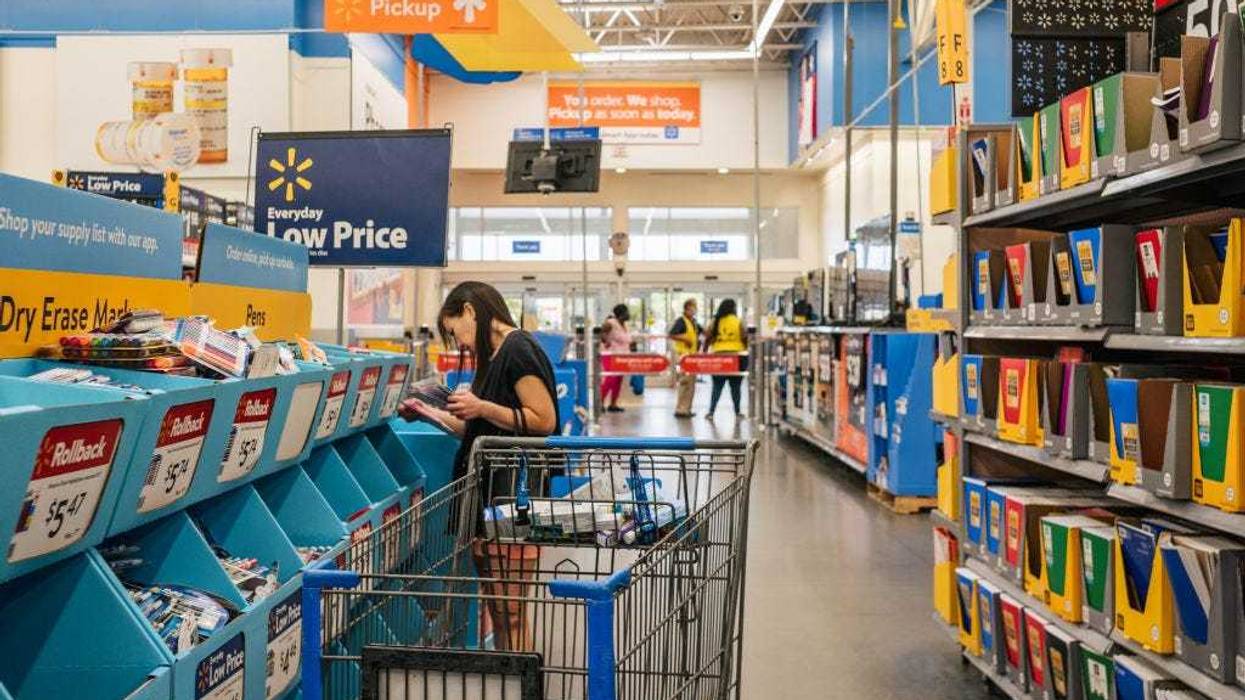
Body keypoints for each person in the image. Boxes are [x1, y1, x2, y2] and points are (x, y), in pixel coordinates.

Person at [398, 281, 558, 651]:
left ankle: (521, 685)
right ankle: (510, 679)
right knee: (500, 609)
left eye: (456, 332)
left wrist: (481, 407)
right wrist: (429, 413)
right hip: (489, 497)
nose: (461, 345)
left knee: (511, 611)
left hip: (514, 498)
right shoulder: (494, 356)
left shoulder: (519, 349)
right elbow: (477, 430)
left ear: (470, 310)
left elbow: (543, 419)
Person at [704, 298, 748, 418]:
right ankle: (737, 412)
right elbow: (745, 337)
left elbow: (707, 336)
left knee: (717, 386)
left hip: (719, 357)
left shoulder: (715, 321)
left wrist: (704, 351)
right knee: (736, 387)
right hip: (736, 357)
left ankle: (711, 412)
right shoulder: (738, 321)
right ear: (733, 308)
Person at [667, 298, 702, 418]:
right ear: (687, 308)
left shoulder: (694, 322)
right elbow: (671, 334)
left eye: (695, 307)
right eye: (692, 307)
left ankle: (687, 408)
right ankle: (680, 409)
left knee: (691, 384)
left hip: (692, 356)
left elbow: (703, 332)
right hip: (683, 355)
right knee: (685, 382)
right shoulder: (681, 321)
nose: (694, 310)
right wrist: (684, 339)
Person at [598, 304, 633, 413]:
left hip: (622, 357)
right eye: (626, 312)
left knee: (618, 380)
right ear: (621, 314)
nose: (628, 314)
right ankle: (600, 403)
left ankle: (613, 404)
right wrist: (606, 341)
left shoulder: (624, 325)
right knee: (610, 379)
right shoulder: (611, 323)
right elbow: (600, 332)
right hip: (611, 355)